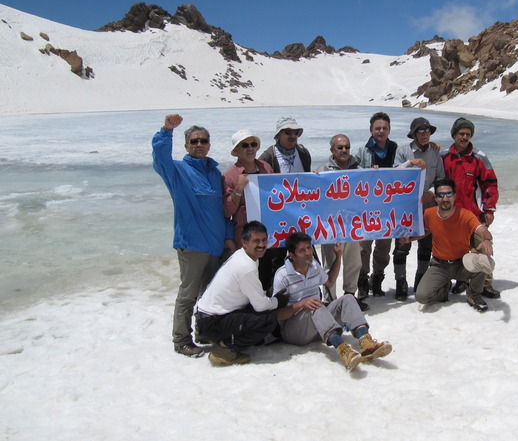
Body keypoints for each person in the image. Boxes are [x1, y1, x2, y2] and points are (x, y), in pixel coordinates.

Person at [152, 114, 233, 357]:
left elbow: (223, 209)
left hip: (216, 245)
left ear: (209, 144)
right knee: (188, 295)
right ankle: (181, 339)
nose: (199, 145)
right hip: (193, 245)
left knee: (211, 294)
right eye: (194, 141)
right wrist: (166, 131)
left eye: (203, 141)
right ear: (186, 145)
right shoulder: (177, 171)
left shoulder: (214, 174)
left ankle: (204, 332)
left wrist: (228, 236)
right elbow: (160, 158)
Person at [272, 232, 392, 371]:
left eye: (309, 248)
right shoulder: (282, 275)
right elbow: (277, 314)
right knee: (315, 306)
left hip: (317, 325)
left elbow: (329, 282)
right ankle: (342, 349)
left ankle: (365, 341)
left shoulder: (313, 266)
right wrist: (301, 304)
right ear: (291, 255)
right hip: (294, 330)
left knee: (347, 299)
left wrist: (338, 256)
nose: (308, 253)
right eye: (302, 250)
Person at [195, 221, 289, 366]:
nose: (262, 245)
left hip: (208, 317)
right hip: (211, 322)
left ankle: (224, 340)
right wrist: (278, 300)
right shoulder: (246, 266)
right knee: (268, 319)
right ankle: (226, 349)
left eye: (264, 240)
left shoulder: (244, 256)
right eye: (256, 241)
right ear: (244, 242)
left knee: (261, 309)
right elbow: (261, 306)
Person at [411, 178, 495, 312]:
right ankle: (444, 287)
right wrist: (409, 239)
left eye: (449, 194)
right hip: (439, 265)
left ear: (454, 196)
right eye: (440, 195)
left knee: (483, 261)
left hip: (462, 263)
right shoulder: (429, 213)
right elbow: (426, 231)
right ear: (436, 198)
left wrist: (486, 240)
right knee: (422, 297)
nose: (445, 198)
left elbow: (483, 230)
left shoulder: (465, 215)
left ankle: (473, 293)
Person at [441, 117, 500, 298]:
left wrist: (489, 209)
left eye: (468, 134)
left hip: (474, 214)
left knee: (481, 248)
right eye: (461, 133)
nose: (464, 137)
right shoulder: (444, 157)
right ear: (454, 135)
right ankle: (462, 280)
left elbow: (490, 184)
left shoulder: (479, 157)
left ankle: (486, 283)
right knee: (459, 249)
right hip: (452, 214)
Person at [390, 116, 445, 300]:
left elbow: (440, 178)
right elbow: (393, 174)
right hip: (406, 207)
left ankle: (421, 277)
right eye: (420, 131)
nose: (424, 134)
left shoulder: (436, 153)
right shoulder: (403, 150)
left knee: (425, 245)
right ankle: (401, 280)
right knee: (402, 245)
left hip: (428, 206)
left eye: (427, 130)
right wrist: (410, 163)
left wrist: (431, 191)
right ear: (413, 134)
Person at [257, 115, 312, 289]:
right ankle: (276, 299)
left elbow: (307, 183)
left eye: (296, 132)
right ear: (278, 134)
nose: (293, 136)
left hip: (299, 218)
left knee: (303, 256)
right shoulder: (268, 157)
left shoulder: (303, 153)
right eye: (288, 132)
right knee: (277, 262)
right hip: (277, 221)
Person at [316, 134, 368, 310]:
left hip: (352, 224)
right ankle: (331, 300)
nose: (344, 150)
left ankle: (350, 297)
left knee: (354, 262)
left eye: (347, 147)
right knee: (331, 263)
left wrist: (375, 174)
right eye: (340, 147)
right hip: (331, 226)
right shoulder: (322, 170)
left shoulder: (358, 169)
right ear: (332, 150)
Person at [353, 112, 398, 299]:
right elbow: (350, 172)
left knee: (383, 247)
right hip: (366, 208)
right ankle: (362, 281)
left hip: (387, 208)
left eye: (384, 128)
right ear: (371, 130)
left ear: (389, 130)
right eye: (377, 128)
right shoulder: (362, 151)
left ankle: (377, 278)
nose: (381, 131)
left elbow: (405, 169)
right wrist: (366, 173)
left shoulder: (396, 149)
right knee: (363, 247)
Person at [222, 129, 273, 248]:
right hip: (246, 240)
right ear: (236, 150)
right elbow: (227, 212)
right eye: (245, 145)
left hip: (269, 236)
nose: (250, 148)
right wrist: (238, 189)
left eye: (253, 144)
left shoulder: (266, 167)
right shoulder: (228, 176)